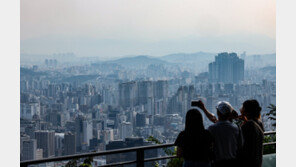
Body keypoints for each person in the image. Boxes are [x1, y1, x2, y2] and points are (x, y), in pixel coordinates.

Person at [195, 100, 243, 167]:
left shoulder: (212, 129)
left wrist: (203, 108)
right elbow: (240, 146)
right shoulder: (236, 128)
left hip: (217, 162)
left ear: (218, 113)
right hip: (233, 162)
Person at [239, 99, 264, 167]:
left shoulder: (248, 125)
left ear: (246, 111)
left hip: (247, 161)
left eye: (243, 107)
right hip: (257, 160)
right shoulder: (259, 123)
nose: (240, 109)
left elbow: (241, 143)